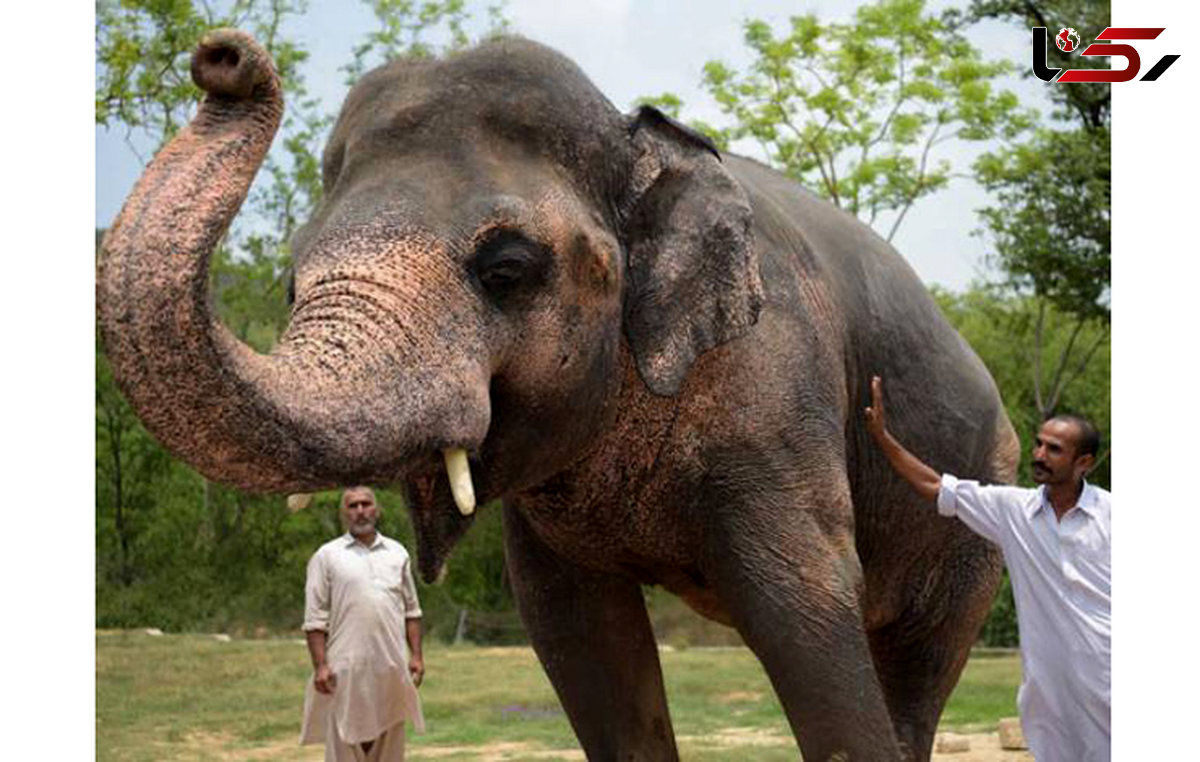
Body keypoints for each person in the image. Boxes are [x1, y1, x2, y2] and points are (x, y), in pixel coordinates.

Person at [864, 376, 1109, 762]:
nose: (1039, 454)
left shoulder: (1113, 517)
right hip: (1049, 698)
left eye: (1054, 449)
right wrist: (881, 436)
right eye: (1039, 443)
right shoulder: (1014, 511)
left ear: (1084, 463)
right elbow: (933, 485)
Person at [300, 486, 425, 762]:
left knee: (390, 746)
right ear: (343, 514)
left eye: (365, 504)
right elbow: (314, 619)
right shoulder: (327, 556)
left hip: (391, 665)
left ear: (376, 510)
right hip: (345, 669)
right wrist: (320, 665)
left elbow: (412, 612)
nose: (360, 511)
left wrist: (415, 656)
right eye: (352, 506)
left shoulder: (397, 553)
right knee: (345, 743)